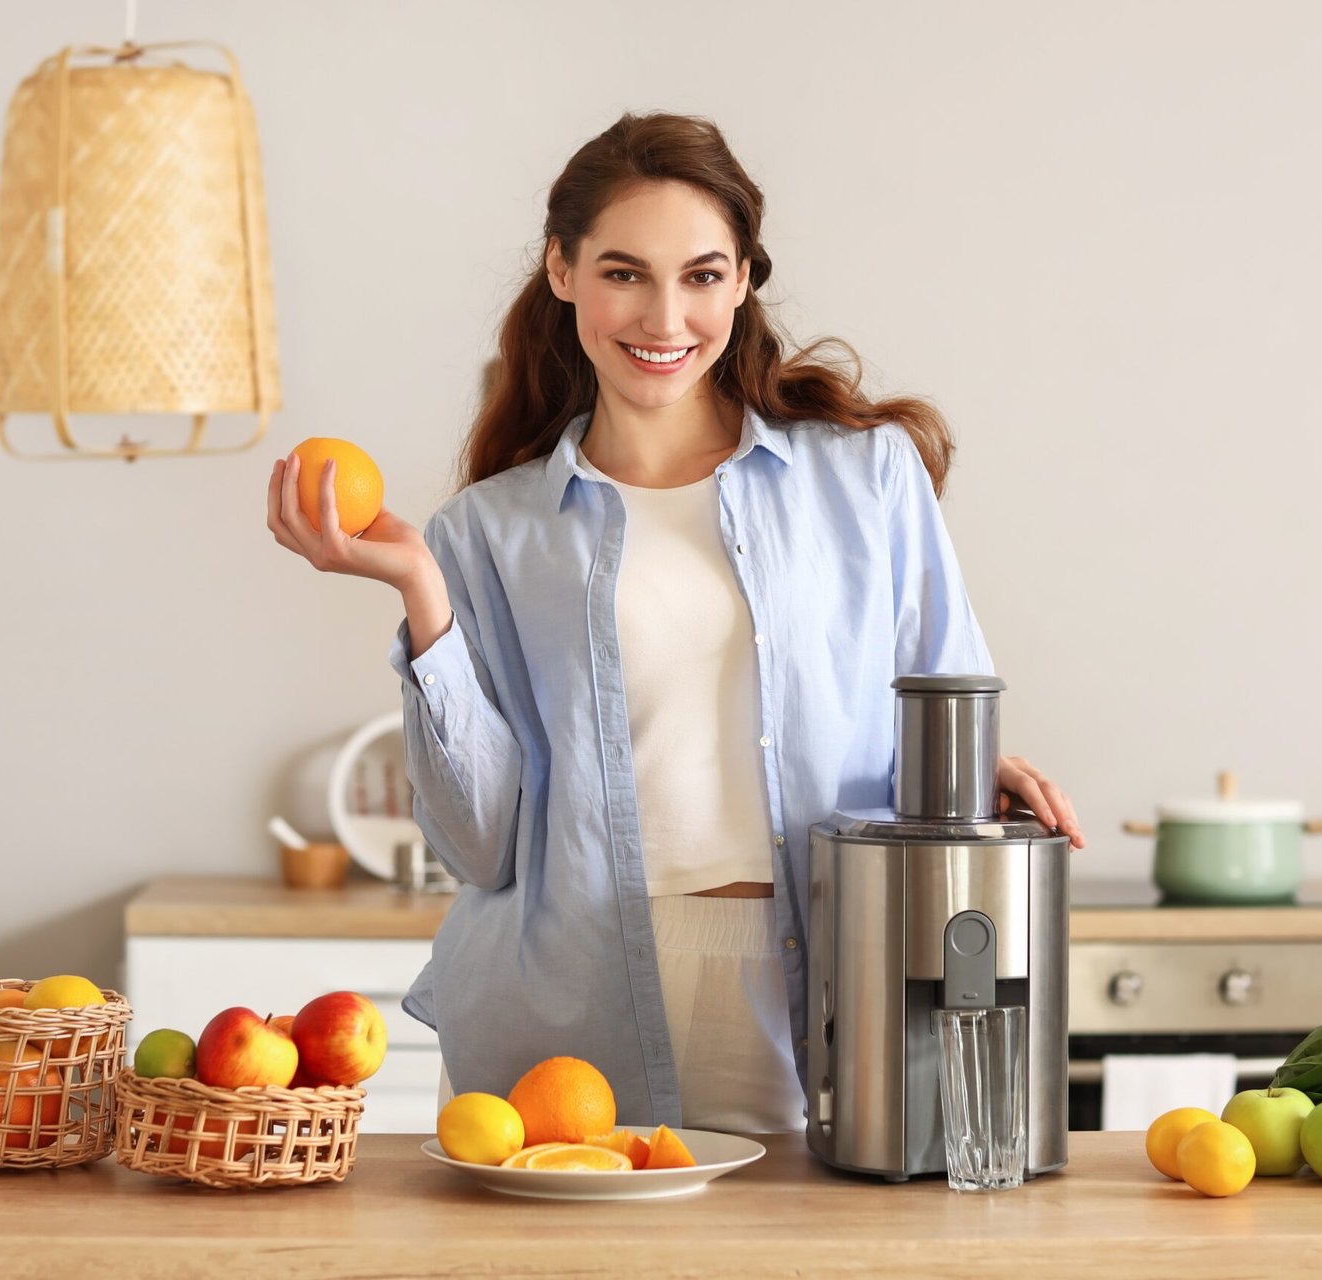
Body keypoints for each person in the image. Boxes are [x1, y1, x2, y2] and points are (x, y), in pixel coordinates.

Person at [265, 112, 1084, 1134]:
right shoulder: (484, 532)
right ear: (562, 272)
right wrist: (422, 597)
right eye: (623, 273)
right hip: (567, 996)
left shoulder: (866, 480)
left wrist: (971, 771)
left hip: (816, 981)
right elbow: (481, 849)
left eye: (701, 275)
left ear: (743, 280)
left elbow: (943, 701)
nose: (664, 315)